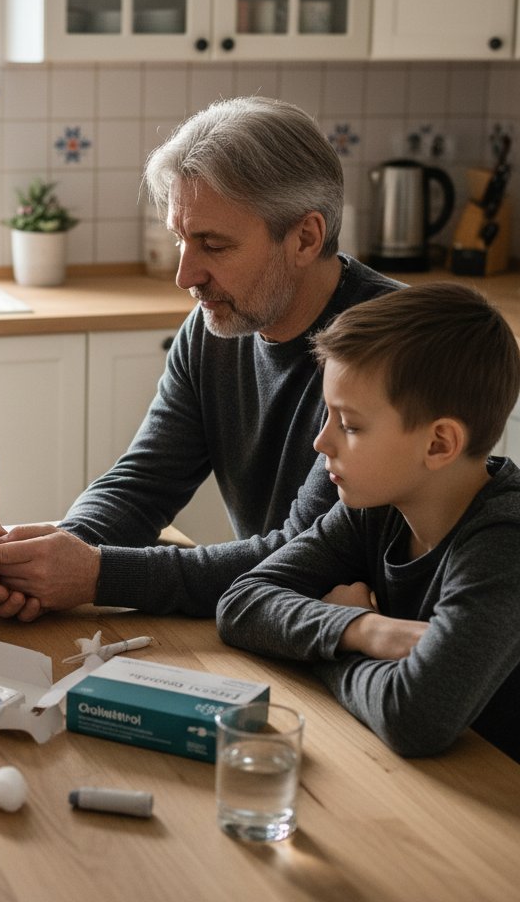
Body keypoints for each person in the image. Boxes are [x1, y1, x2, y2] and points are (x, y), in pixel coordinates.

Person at [0, 96, 399, 619]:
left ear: (305, 237)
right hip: (281, 620)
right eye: (180, 241)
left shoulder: (391, 345)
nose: (185, 276)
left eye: (213, 246)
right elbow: (144, 482)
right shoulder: (216, 326)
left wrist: (96, 574)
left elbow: (303, 554)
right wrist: (62, 552)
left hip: (374, 636)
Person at [217, 283, 520, 760]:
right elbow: (242, 603)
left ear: (439, 444)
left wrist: (326, 647)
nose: (322, 443)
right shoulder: (377, 508)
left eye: (350, 425)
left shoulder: (504, 544)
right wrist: (364, 629)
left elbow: (413, 717)